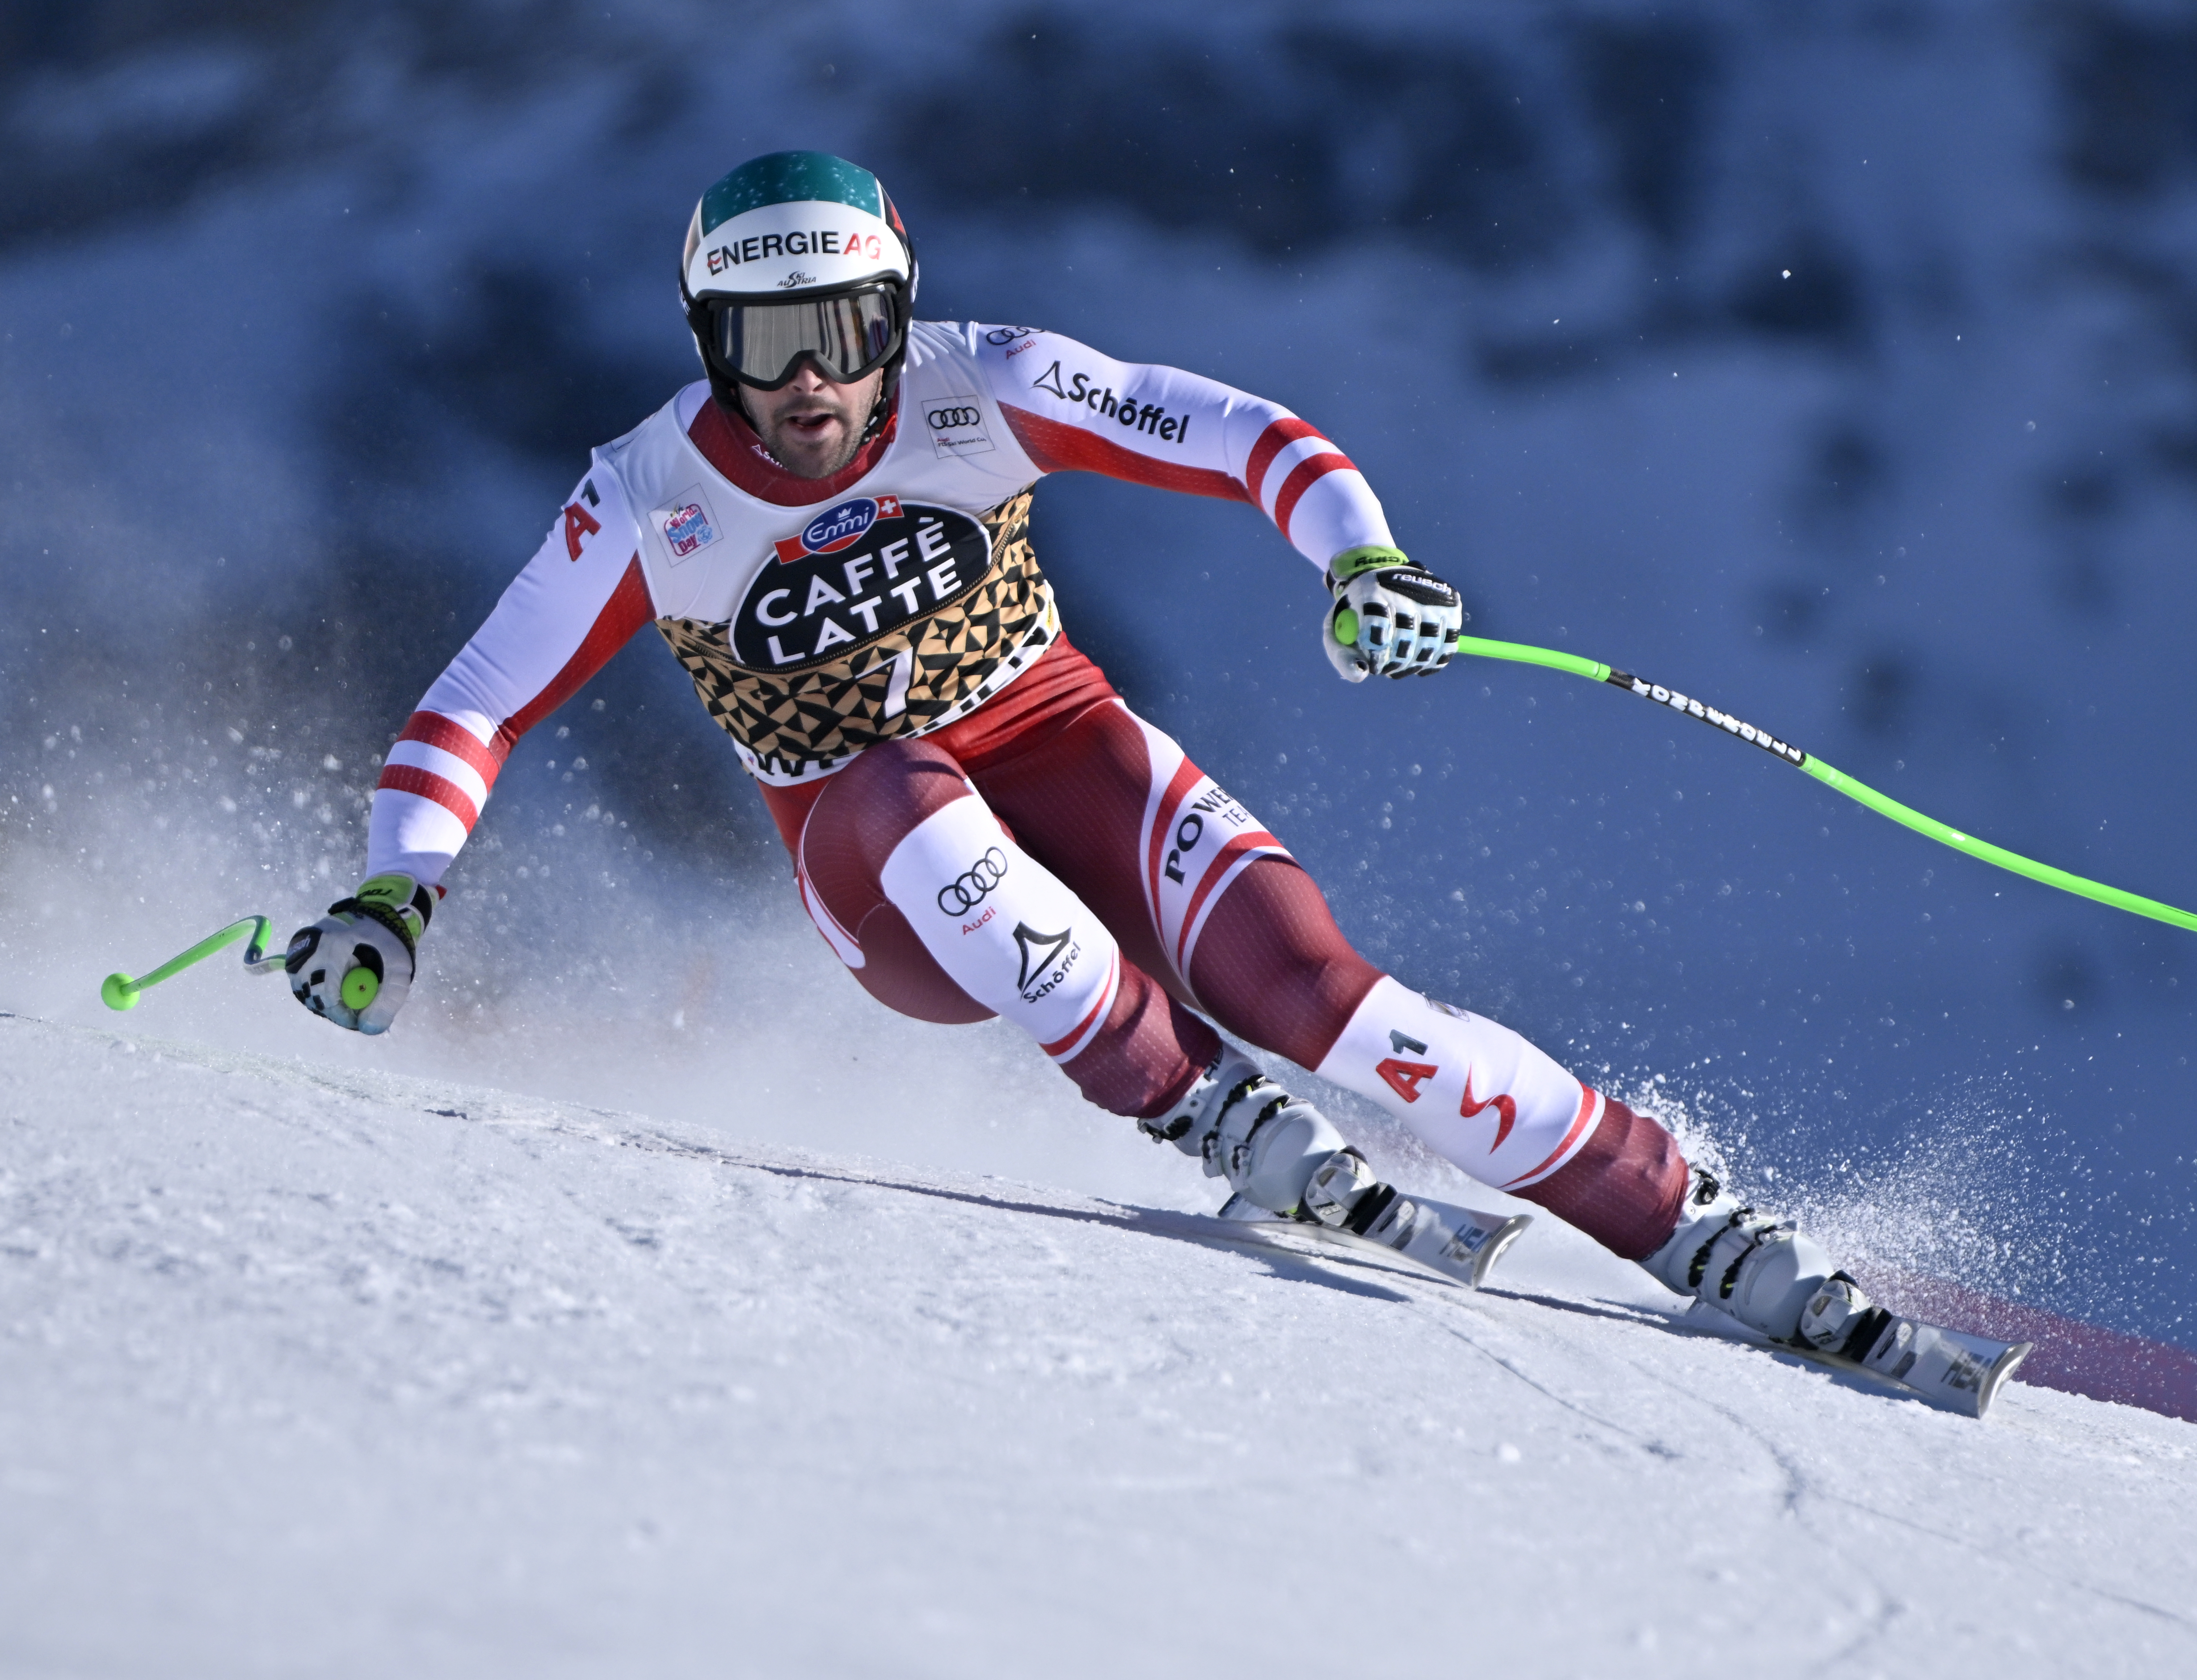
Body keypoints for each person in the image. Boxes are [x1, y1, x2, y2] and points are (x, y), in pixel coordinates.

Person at [285, 151, 1894, 1364]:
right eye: (762, 345)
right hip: (885, 874)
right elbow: (471, 708)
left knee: (1324, 994)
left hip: (1073, 757)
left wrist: (1362, 560)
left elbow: (1244, 432)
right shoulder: (645, 493)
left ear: (894, 316)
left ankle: (1686, 1219)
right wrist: (395, 898)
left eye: (841, 333)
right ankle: (1193, 1105)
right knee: (901, 780)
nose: (809, 388)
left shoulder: (977, 382)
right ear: (709, 341)